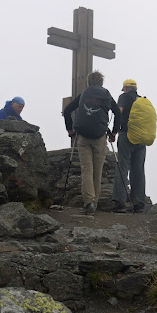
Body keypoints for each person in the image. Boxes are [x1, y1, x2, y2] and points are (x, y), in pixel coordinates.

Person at [63, 71, 121, 214]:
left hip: (83, 136)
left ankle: (89, 202)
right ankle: (94, 203)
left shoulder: (84, 94)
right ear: (101, 82)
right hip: (99, 136)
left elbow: (67, 110)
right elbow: (118, 113)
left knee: (86, 169)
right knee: (97, 171)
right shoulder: (106, 95)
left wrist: (70, 130)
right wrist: (113, 133)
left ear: (88, 82)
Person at [111, 79, 146, 213]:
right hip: (141, 139)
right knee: (138, 169)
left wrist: (114, 131)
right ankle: (138, 203)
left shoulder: (124, 97)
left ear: (125, 88)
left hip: (126, 135)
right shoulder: (142, 100)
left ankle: (120, 202)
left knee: (123, 167)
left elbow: (118, 112)